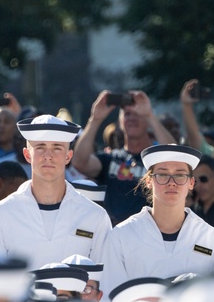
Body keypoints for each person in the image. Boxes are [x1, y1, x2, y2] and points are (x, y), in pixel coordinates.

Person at [0, 115, 116, 294]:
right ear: (26, 154)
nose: (48, 156)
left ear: (69, 156)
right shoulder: (1, 213)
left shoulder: (95, 216)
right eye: (40, 148)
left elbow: (104, 283)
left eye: (57, 148)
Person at [107, 145, 214, 290]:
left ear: (191, 183)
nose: (171, 182)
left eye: (180, 175)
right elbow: (110, 295)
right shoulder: (121, 235)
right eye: (162, 175)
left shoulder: (211, 239)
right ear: (148, 181)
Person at [71, 90, 178, 225]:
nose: (132, 118)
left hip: (149, 234)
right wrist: (95, 119)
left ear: (147, 122)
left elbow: (175, 156)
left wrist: (150, 115)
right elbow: (80, 162)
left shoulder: (156, 159)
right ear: (120, 122)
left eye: (137, 114)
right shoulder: (110, 159)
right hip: (114, 235)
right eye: (127, 114)